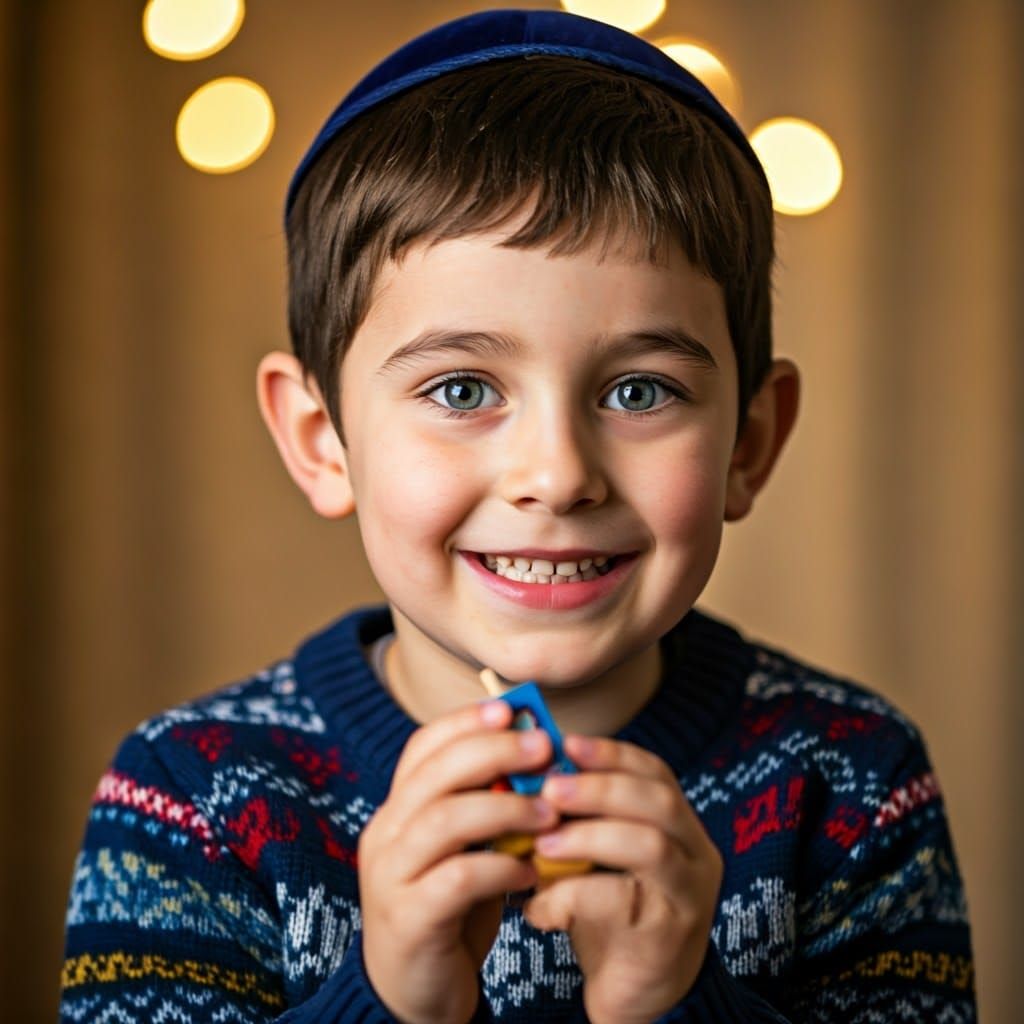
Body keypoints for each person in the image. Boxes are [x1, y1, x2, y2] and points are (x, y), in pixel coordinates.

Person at [59, 8, 976, 1023]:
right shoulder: (191, 799)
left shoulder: (850, 782)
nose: (556, 474)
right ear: (322, 439)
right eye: (460, 389)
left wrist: (672, 1004)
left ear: (749, 443)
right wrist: (383, 1003)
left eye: (639, 392)